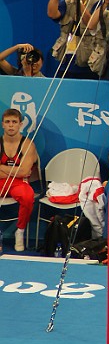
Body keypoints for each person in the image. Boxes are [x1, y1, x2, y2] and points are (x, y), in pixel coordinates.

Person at [47, 0, 102, 78]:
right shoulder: (67, 3)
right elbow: (52, 14)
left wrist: (78, 1)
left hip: (88, 59)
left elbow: (90, 24)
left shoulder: (98, 2)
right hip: (66, 57)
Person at [0, 108, 38, 252]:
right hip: (2, 183)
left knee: (28, 197)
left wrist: (2, 168)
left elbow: (24, 171)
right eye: (7, 122)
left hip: (18, 183)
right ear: (3, 124)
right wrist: (15, 171)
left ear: (20, 124)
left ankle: (20, 231)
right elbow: (20, 170)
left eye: (14, 122)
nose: (11, 125)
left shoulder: (27, 144)